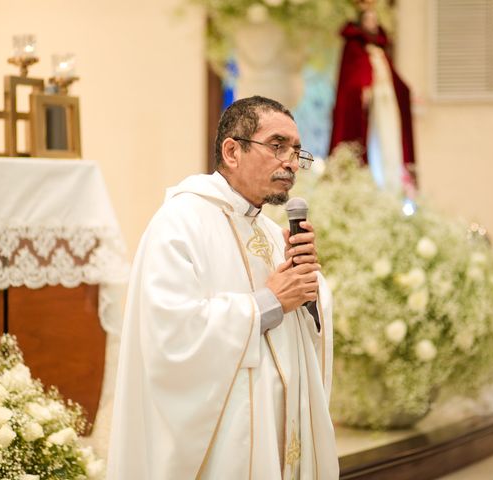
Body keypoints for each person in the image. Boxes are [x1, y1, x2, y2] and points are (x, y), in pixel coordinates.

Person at [107, 96, 338, 479]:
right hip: (227, 441)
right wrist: (269, 302)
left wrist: (309, 285)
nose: (291, 163)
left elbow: (306, 324)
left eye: (297, 151)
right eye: (277, 146)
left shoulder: (271, 231)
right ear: (232, 151)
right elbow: (170, 335)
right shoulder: (179, 224)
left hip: (277, 429)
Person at [329, 0, 417, 193]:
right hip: (369, 107)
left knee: (390, 139)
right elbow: (351, 81)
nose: (372, 23)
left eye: (374, 19)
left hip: (386, 102)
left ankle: (392, 183)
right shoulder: (354, 47)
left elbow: (393, 79)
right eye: (368, 19)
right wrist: (363, 90)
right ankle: (369, 181)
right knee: (372, 142)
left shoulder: (380, 50)